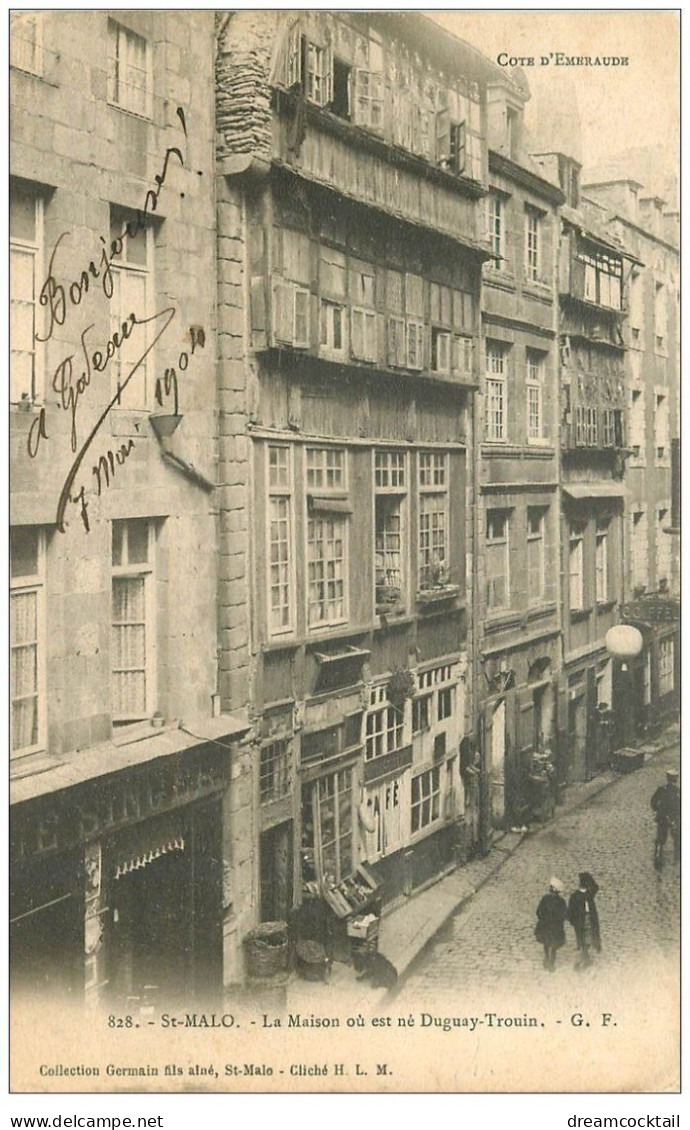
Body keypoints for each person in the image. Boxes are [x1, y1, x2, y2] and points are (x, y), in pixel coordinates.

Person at [568, 872, 601, 969]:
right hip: (587, 918)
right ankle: (585, 957)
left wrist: (572, 921)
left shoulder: (575, 896)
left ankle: (585, 955)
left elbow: (570, 911)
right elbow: (595, 887)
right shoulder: (589, 894)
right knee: (586, 937)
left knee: (583, 937)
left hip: (581, 921)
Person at [535, 878, 568, 971]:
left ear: (553, 889)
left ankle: (546, 958)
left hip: (545, 926)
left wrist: (543, 919)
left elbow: (538, 911)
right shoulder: (562, 902)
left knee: (546, 943)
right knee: (554, 946)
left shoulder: (545, 898)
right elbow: (564, 914)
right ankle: (551, 963)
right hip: (556, 928)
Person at [651, 771, 680, 868]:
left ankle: (658, 857)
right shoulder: (678, 791)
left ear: (667, 778)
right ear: (676, 779)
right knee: (676, 837)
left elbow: (653, 802)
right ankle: (677, 857)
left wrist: (658, 810)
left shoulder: (661, 789)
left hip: (663, 817)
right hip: (673, 818)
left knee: (661, 838)